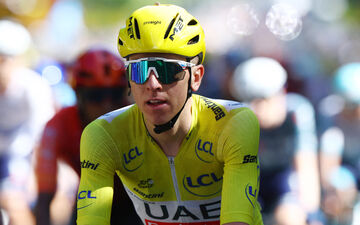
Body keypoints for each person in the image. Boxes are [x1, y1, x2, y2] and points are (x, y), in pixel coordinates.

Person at [77, 3, 263, 225]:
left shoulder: (232, 123)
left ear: (196, 77)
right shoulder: (104, 135)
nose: (153, 84)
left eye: (167, 70)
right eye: (140, 70)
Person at [33, 48, 142, 225]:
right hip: (90, 200)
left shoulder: (141, 119)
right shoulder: (58, 126)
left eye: (115, 94)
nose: (107, 105)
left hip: (138, 204)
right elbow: (44, 199)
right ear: (78, 96)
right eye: (96, 96)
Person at [229, 57, 323, 225]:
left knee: (291, 217)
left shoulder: (297, 111)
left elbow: (306, 168)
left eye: (264, 100)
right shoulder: (239, 117)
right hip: (252, 182)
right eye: (251, 101)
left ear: (282, 93)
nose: (259, 110)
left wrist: (312, 215)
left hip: (283, 182)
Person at [0, 19, 56, 225]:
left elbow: (43, 139)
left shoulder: (34, 88)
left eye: (3, 60)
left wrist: (36, 177)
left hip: (24, 159)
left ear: (18, 60)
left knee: (14, 204)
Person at [318, 62, 360, 225]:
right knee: (338, 189)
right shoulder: (331, 115)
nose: (354, 111)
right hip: (347, 170)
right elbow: (328, 165)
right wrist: (333, 190)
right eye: (350, 105)